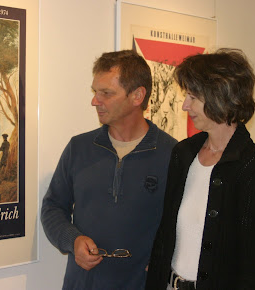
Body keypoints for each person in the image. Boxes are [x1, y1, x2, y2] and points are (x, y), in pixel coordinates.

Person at [41, 50, 177, 289]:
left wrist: (167, 257)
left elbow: (185, 223)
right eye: (95, 92)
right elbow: (52, 208)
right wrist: (73, 241)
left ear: (137, 96)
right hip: (82, 283)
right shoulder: (78, 148)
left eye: (106, 93)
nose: (95, 100)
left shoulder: (173, 154)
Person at [145, 48, 255, 290]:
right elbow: (165, 234)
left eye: (193, 97)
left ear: (220, 97)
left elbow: (251, 259)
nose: (184, 106)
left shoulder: (250, 164)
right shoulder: (183, 153)